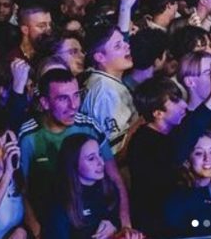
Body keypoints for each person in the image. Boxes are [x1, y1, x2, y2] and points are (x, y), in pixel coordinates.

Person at [17, 69, 131, 236]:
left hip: (88, 217)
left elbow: (114, 177)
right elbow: (22, 191)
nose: (73, 105)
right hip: (50, 219)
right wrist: (38, 232)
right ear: (45, 102)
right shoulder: (29, 136)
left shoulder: (89, 126)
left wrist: (124, 224)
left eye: (76, 95)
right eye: (63, 98)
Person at [124, 65, 211, 235]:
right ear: (158, 113)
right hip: (157, 230)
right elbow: (177, 149)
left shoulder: (170, 134)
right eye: (175, 101)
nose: (184, 105)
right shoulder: (144, 143)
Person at [40, 134, 142, 239]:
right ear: (74, 163)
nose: (101, 162)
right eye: (91, 158)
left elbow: (116, 223)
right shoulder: (60, 202)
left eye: (100, 155)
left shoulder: (109, 187)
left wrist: (118, 229)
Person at [78, 24, 137, 155]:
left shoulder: (100, 80)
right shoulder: (105, 92)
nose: (127, 46)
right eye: (117, 46)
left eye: (124, 42)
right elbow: (111, 150)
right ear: (100, 57)